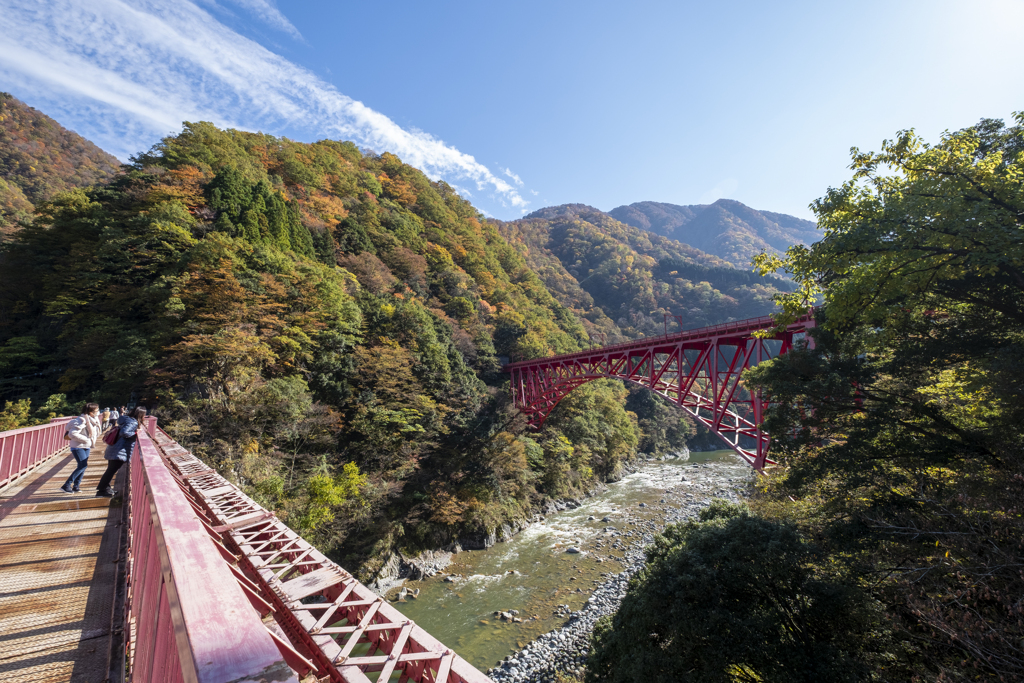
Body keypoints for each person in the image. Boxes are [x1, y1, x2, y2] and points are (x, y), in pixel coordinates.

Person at [96, 406, 146, 498]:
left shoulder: (126, 420)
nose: (144, 417)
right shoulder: (133, 422)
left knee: (110, 470)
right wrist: (136, 433)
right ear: (140, 415)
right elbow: (124, 432)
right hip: (120, 450)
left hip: (114, 447)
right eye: (144, 415)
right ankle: (101, 490)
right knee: (111, 470)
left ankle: (106, 489)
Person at [60, 403, 101, 493]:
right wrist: (86, 440)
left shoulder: (91, 420)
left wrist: (88, 441)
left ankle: (76, 486)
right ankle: (66, 485)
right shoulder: (81, 420)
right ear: (91, 412)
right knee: (83, 465)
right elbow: (72, 434)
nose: (98, 412)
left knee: (82, 466)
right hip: (78, 446)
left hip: (86, 446)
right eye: (97, 410)